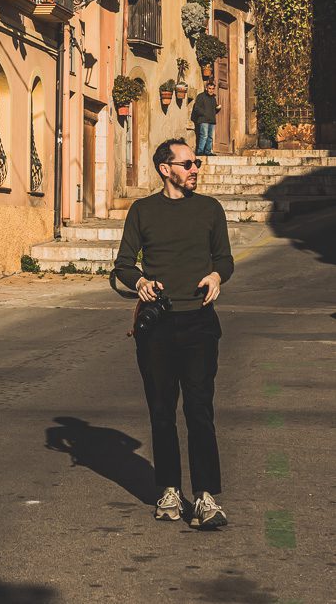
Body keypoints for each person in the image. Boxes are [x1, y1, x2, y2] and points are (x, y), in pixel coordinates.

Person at [113, 137, 234, 529]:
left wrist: (217, 275)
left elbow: (225, 259)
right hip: (158, 324)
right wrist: (141, 281)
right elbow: (124, 264)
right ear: (165, 169)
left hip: (199, 322)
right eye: (187, 164)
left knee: (199, 410)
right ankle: (167, 488)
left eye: (196, 163)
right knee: (162, 411)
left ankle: (205, 496)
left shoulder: (210, 209)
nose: (195, 169)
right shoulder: (143, 211)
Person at [191, 80, 220, 157]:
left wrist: (217, 108)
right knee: (204, 135)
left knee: (210, 137)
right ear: (206, 88)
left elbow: (214, 109)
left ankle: (208, 151)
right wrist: (204, 114)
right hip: (203, 120)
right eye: (209, 88)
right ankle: (200, 151)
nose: (211, 90)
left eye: (212, 89)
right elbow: (196, 108)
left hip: (212, 121)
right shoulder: (201, 96)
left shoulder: (213, 98)